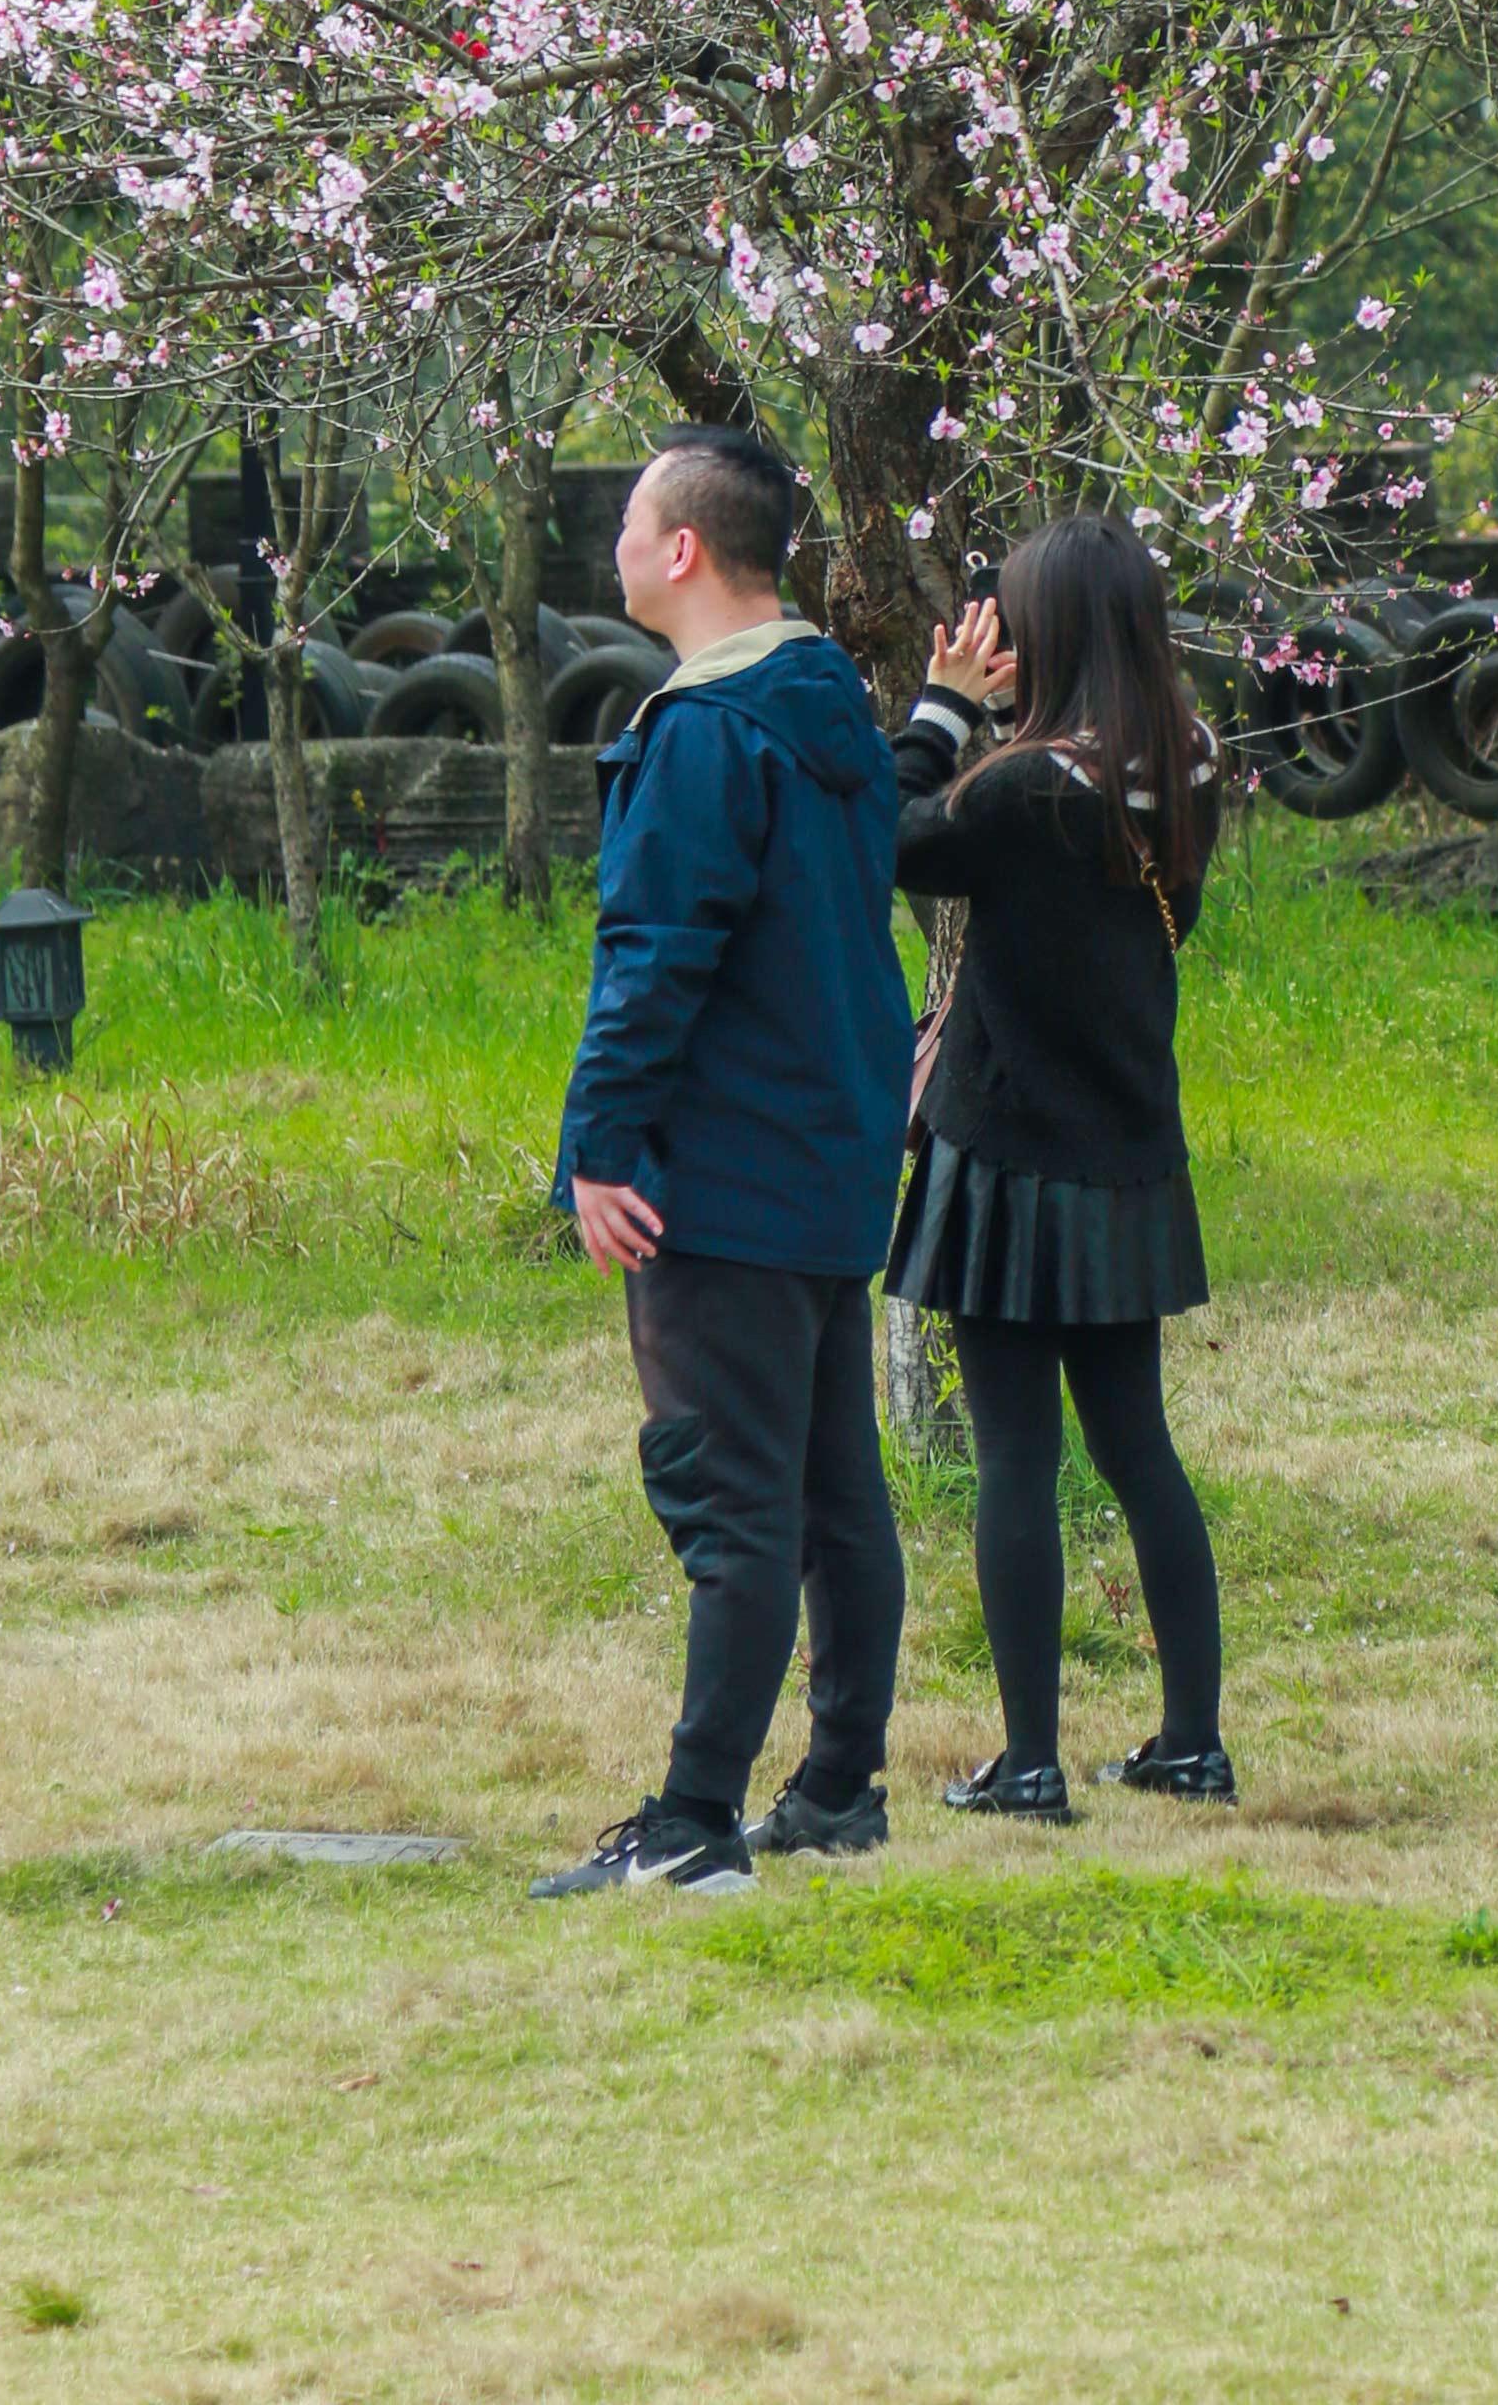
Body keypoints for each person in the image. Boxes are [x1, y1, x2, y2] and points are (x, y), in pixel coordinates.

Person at [535, 428, 914, 1901]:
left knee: (733, 1502)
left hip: (725, 1178)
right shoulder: (833, 713)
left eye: (632, 518)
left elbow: (652, 959)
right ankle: (836, 1791)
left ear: (681, 549)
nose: (618, 543)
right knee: (834, 1495)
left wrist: (597, 1150)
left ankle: (694, 1824)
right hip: (827, 1168)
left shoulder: (705, 733)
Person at [886, 509, 1229, 1818]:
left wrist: (940, 706)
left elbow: (888, 831)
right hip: (1129, 1146)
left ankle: (1030, 1761)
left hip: (1012, 1154)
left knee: (1018, 1457)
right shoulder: (1184, 759)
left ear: (1051, 631)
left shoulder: (1025, 788)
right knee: (1139, 1444)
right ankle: (1191, 1739)